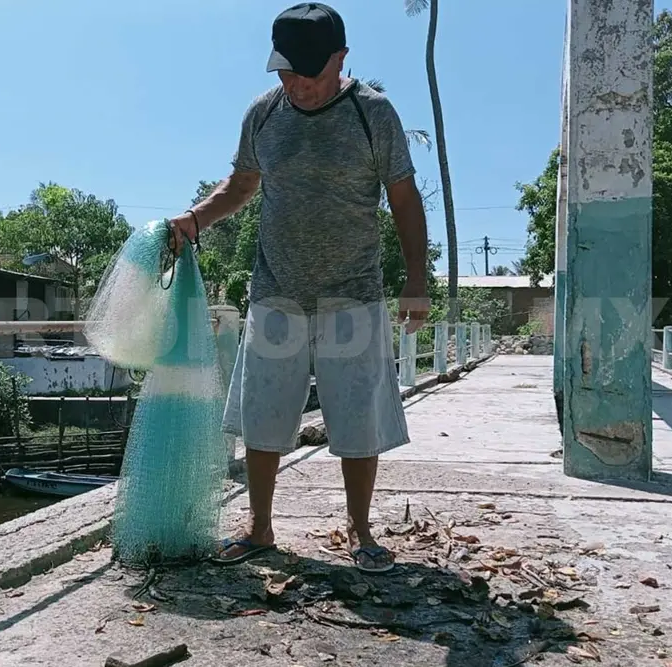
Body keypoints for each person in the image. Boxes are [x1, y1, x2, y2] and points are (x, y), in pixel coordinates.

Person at [167, 1, 429, 573]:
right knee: (264, 416)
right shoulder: (264, 114)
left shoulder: (373, 114)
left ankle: (362, 534)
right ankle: (260, 529)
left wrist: (416, 279)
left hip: (352, 293)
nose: (299, 85)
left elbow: (404, 200)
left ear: (341, 59)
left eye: (310, 72)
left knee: (357, 421)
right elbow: (240, 186)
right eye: (287, 72)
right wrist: (193, 220)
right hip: (276, 291)